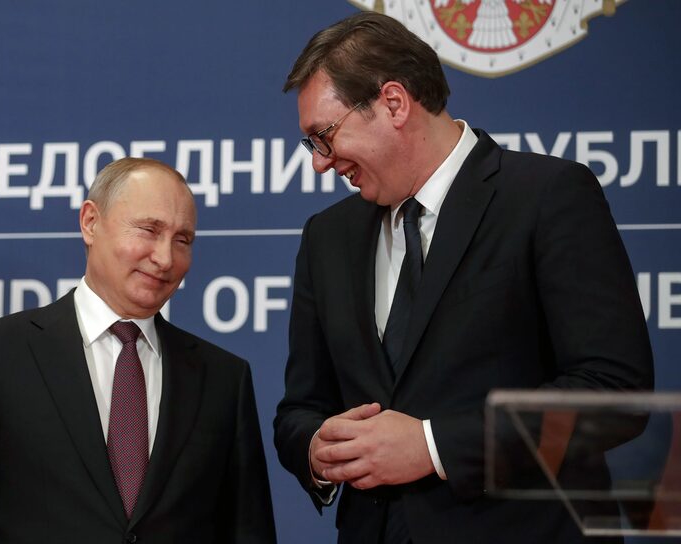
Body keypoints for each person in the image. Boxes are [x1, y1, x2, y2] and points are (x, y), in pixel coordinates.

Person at [273, 11, 653, 544]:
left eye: (324, 136)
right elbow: (300, 408)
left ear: (394, 103)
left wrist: (433, 446)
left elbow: (614, 395)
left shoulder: (546, 197)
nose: (320, 163)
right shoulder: (326, 237)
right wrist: (316, 447)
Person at [0, 158, 277, 544]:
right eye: (148, 230)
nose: (165, 258)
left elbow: (249, 531)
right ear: (90, 222)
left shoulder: (223, 377)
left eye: (182, 240)